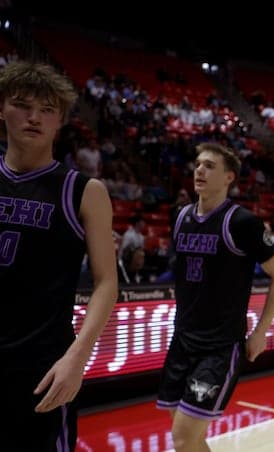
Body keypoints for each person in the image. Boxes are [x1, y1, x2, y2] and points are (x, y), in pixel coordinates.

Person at [0, 61, 118, 451]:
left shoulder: (83, 190)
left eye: (47, 109)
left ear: (60, 121)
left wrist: (77, 358)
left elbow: (105, 283)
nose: (35, 117)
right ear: (2, 109)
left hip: (42, 368)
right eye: (22, 105)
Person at [156, 143, 274, 452]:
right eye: (198, 164)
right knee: (188, 439)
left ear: (229, 177)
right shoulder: (180, 216)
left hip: (218, 346)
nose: (199, 170)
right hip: (182, 340)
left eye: (210, 166)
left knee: (183, 437)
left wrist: (260, 332)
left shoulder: (242, 222)